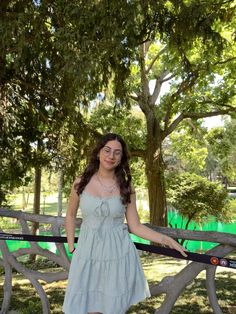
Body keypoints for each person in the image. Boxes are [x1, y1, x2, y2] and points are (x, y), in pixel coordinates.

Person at [62, 133, 187, 314]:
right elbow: (71, 214)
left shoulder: (126, 187)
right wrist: (72, 246)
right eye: (107, 150)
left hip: (117, 254)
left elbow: (135, 226)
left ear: (121, 158)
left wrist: (166, 239)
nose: (111, 156)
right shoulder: (80, 183)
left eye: (117, 153)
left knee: (112, 308)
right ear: (98, 153)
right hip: (87, 253)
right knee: (86, 306)